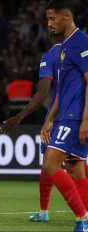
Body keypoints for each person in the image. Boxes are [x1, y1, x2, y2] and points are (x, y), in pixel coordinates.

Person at [0, 33, 63, 222]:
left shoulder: (50, 56)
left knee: (49, 164)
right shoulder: (81, 52)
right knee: (78, 163)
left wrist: (19, 117)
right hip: (79, 113)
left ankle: (48, 213)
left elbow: (44, 91)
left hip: (58, 117)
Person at [41, 0, 88, 231]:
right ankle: (85, 218)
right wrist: (50, 119)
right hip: (65, 115)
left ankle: (82, 217)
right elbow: (61, 89)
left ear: (66, 16)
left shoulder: (81, 43)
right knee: (74, 168)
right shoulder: (64, 47)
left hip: (76, 116)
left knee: (50, 163)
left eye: (52, 18)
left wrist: (86, 120)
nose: (49, 24)